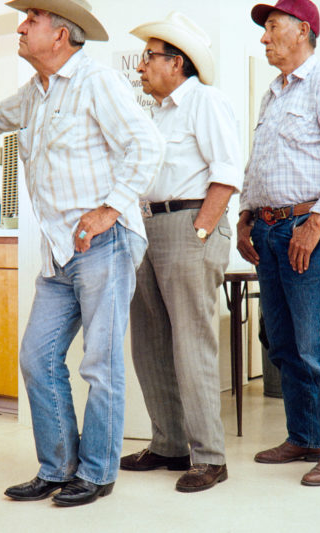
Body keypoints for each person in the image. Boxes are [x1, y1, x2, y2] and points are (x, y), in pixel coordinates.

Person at [0, 0, 163, 507]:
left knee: (100, 362)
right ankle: (57, 468)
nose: (21, 26)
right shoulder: (36, 92)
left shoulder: (97, 81)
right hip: (59, 251)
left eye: (32, 19)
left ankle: (96, 472)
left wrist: (109, 210)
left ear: (61, 35)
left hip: (104, 243)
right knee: (36, 357)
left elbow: (147, 144)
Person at [235, 0, 320, 486]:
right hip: (269, 229)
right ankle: (304, 435)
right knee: (284, 344)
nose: (264, 38)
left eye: (272, 27)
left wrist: (315, 224)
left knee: (319, 346)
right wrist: (246, 215)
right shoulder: (274, 94)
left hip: (305, 228)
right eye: (265, 29)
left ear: (303, 31)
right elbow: (261, 164)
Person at [119, 12, 242, 493]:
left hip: (189, 226)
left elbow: (227, 171)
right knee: (149, 342)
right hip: (147, 228)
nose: (141, 66)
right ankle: (169, 444)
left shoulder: (206, 102)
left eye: (149, 57)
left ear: (178, 63)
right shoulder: (155, 113)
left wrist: (201, 231)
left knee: (192, 345)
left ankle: (209, 457)